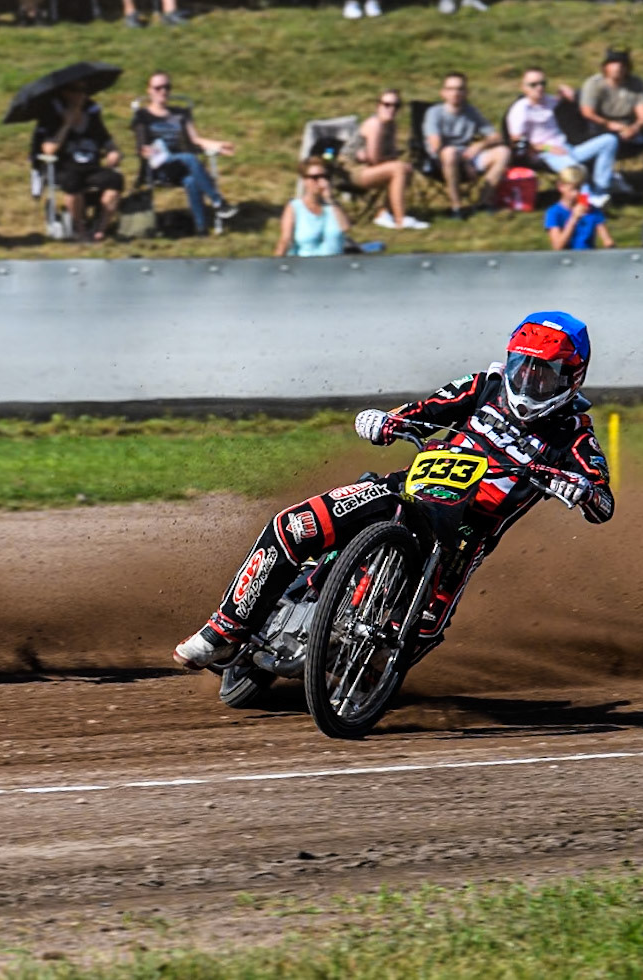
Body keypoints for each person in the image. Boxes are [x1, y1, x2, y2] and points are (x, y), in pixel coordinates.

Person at [173, 312, 614, 671]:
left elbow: (603, 502)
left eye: (544, 373)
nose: (529, 379)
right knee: (294, 525)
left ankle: (359, 669)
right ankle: (224, 631)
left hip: (464, 536)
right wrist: (387, 421)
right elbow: (422, 411)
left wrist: (580, 489)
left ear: (571, 378)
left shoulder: (574, 434)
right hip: (406, 491)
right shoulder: (485, 385)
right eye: (523, 365)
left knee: (416, 634)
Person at [130, 71, 238, 236]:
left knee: (191, 180)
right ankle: (218, 201)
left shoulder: (180, 114)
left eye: (167, 87)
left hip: (181, 167)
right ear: (149, 90)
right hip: (158, 167)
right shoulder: (143, 116)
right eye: (158, 88)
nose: (163, 92)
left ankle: (201, 229)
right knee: (189, 158)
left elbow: (195, 140)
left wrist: (218, 145)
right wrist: (146, 151)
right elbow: (141, 145)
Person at [505, 67, 620, 207]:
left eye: (542, 83)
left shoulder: (548, 101)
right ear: (523, 87)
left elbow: (565, 100)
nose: (539, 88)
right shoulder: (520, 110)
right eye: (533, 85)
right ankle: (588, 201)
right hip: (545, 154)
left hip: (567, 148)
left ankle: (601, 190)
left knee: (609, 141)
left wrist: (568, 94)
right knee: (576, 171)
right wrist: (548, 148)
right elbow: (516, 141)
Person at [35, 84, 124, 242]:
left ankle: (100, 228)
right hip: (66, 167)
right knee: (72, 182)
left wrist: (113, 152)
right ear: (66, 93)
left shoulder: (92, 118)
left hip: (91, 167)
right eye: (76, 91)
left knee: (115, 180)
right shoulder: (53, 117)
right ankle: (80, 229)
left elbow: (108, 141)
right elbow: (48, 149)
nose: (81, 95)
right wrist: (66, 124)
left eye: (83, 92)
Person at [422, 71, 510, 218]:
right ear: (443, 92)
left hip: (467, 156)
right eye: (450, 89)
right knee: (450, 152)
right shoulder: (434, 113)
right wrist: (464, 162)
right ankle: (457, 207)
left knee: (503, 152)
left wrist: (481, 145)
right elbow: (436, 146)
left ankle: (484, 201)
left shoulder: (471, 112)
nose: (455, 93)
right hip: (441, 161)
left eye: (460, 89)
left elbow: (497, 137)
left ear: (466, 92)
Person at [579, 48, 643, 189]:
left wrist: (635, 127)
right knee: (604, 139)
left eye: (622, 64)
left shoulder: (635, 84)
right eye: (613, 63)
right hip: (602, 127)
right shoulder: (594, 84)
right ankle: (601, 183)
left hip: (630, 126)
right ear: (605, 67)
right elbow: (587, 112)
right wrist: (609, 124)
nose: (618, 67)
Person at [341, 88, 429, 230]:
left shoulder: (391, 125)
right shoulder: (375, 124)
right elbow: (375, 159)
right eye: (387, 104)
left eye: (396, 105)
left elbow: (391, 154)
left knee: (405, 167)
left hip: (368, 167)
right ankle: (400, 220)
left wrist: (391, 159)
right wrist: (390, 160)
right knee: (399, 168)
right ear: (378, 106)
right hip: (351, 171)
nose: (391, 109)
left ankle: (384, 213)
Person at [274, 156, 350, 257]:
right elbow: (285, 240)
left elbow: (345, 228)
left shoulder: (333, 206)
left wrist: (329, 199)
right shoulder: (295, 207)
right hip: (306, 266)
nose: (321, 181)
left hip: (336, 266)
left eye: (325, 177)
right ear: (305, 180)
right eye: (315, 177)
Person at [544, 165, 614, 250]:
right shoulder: (554, 212)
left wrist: (609, 245)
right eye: (573, 189)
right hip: (567, 259)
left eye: (580, 189)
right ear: (561, 187)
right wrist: (574, 218)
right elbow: (558, 246)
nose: (577, 193)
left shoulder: (592, 210)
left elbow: (607, 240)